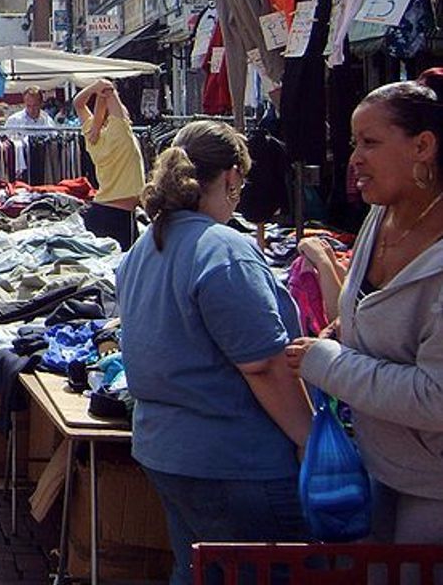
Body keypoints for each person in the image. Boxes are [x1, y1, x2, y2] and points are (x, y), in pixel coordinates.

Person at [116, 121, 310, 585]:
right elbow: (263, 364)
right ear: (228, 179)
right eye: (239, 188)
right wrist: (312, 441)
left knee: (198, 571)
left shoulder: (147, 247)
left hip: (168, 453)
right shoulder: (223, 249)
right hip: (237, 461)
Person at [286, 73, 443, 543]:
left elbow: (435, 399)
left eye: (369, 143)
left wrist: (327, 361)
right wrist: (344, 330)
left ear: (423, 146)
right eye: (354, 142)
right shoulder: (382, 214)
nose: (353, 159)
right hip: (377, 466)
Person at [73, 78, 145, 249]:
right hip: (120, 216)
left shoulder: (93, 136)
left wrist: (95, 89)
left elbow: (78, 103)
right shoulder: (121, 133)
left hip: (102, 210)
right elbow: (109, 90)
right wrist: (103, 87)